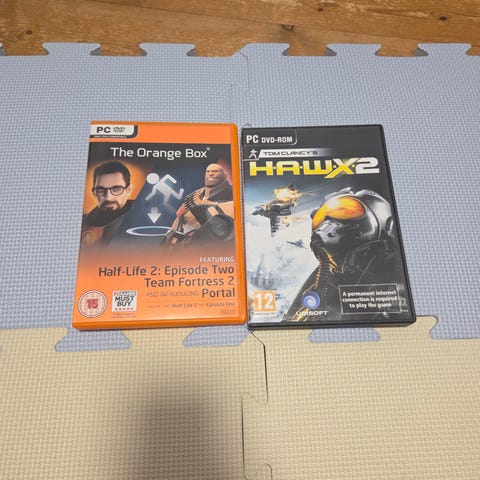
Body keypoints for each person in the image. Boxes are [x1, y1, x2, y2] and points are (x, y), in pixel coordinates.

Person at [167, 163, 234, 246]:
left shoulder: (233, 196)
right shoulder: (195, 195)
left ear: (224, 175)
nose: (211, 174)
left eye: (215, 171)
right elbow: (179, 215)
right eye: (208, 171)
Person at [81, 160, 133, 247]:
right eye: (101, 189)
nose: (108, 197)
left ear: (128, 190)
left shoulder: (142, 222)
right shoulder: (81, 223)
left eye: (116, 189)